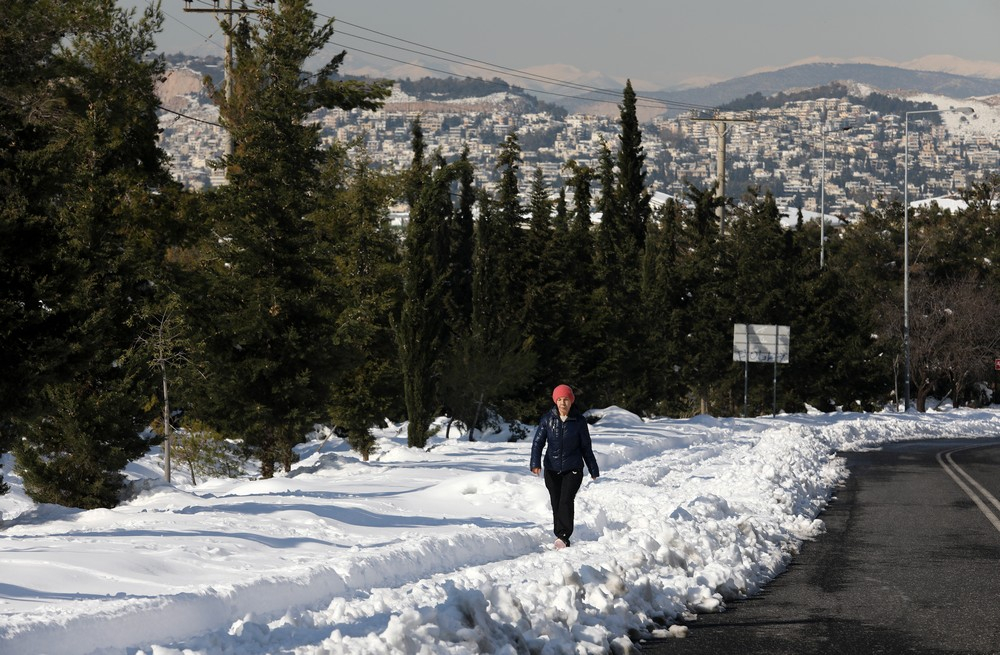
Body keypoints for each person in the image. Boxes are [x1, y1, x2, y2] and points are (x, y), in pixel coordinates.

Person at [530, 384, 599, 549]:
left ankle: (563, 536)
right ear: (555, 401)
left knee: (566, 500)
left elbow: (586, 447)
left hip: (573, 468)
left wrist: (593, 468)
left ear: (571, 401)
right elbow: (538, 442)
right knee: (556, 501)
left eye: (566, 399)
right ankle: (559, 533)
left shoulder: (579, 421)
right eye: (559, 399)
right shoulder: (547, 419)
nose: (562, 403)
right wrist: (535, 463)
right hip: (552, 469)